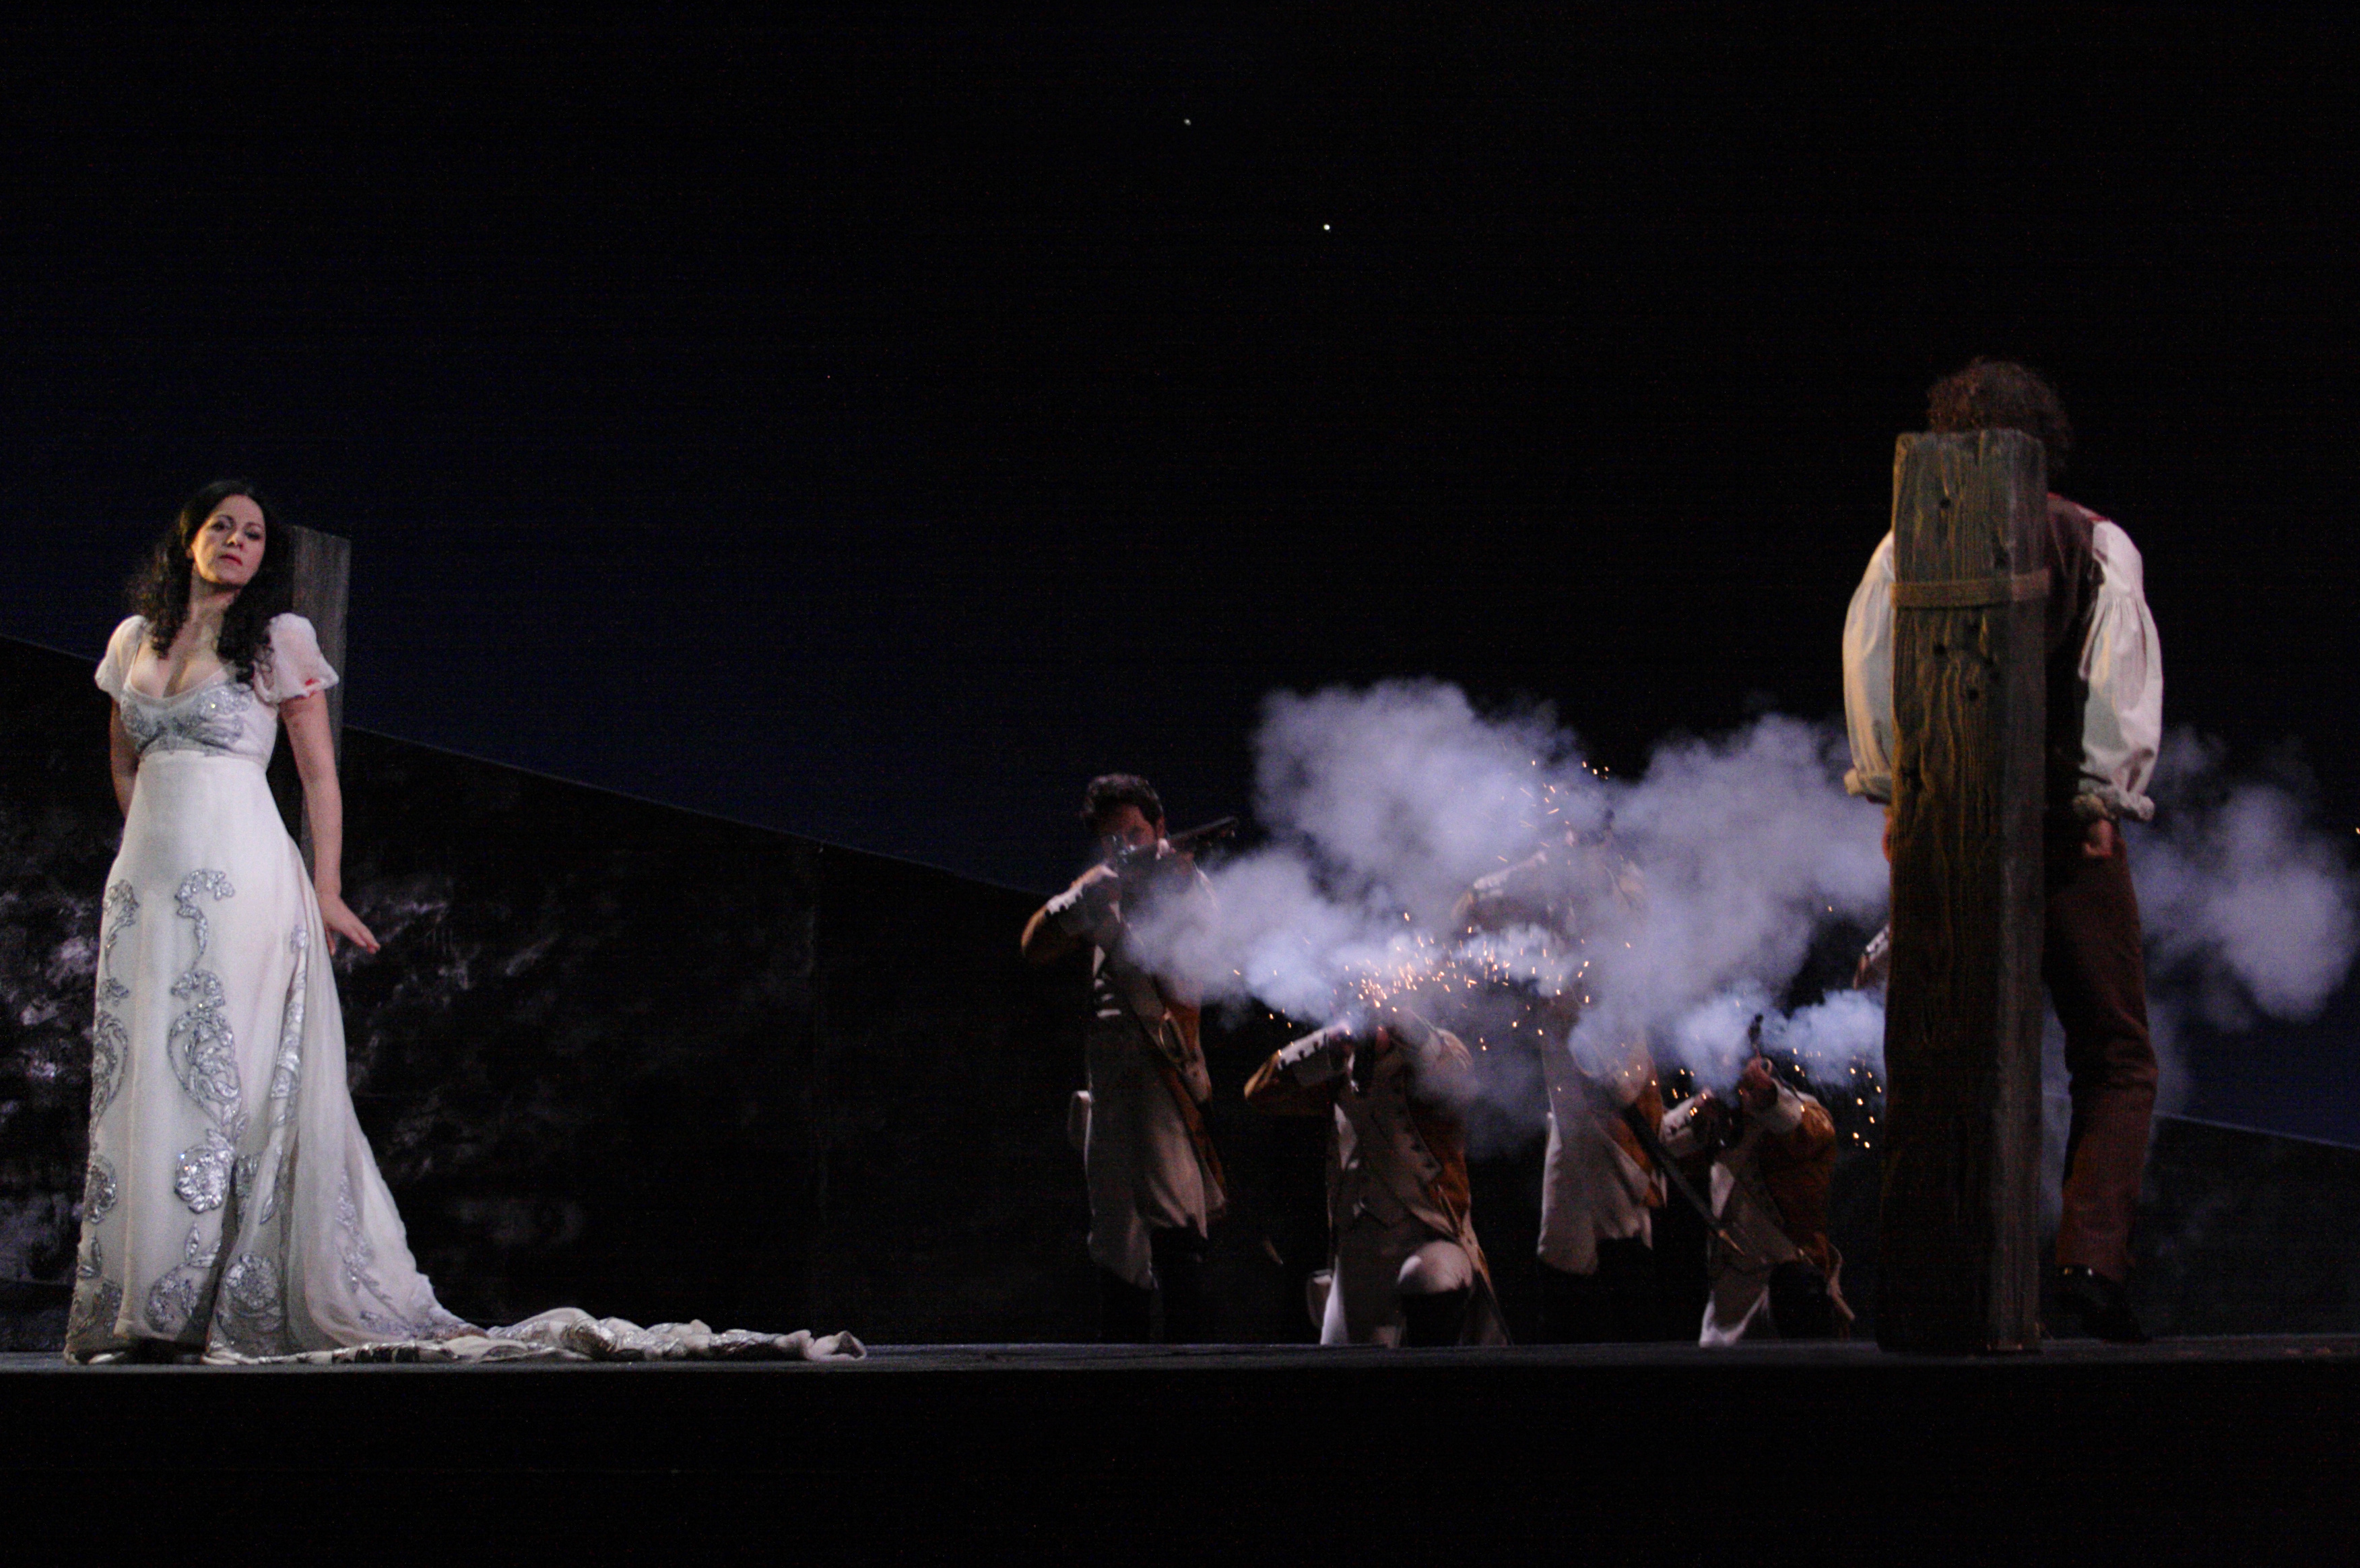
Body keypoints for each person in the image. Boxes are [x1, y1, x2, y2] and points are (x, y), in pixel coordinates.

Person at [66, 482, 470, 1360]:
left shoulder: (280, 640)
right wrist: (143, 855)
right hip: (146, 888)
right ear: (190, 541)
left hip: (244, 877)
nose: (239, 542)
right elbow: (127, 761)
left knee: (226, 1075)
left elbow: (319, 776)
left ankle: (221, 1300)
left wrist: (325, 888)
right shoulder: (133, 640)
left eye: (254, 534)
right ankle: (150, 1305)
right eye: (223, 527)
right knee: (148, 1084)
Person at [1842, 358, 2163, 1342]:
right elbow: (2119, 677)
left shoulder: (1905, 544)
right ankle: (2089, 1265)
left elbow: (1869, 674)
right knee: (2116, 1054)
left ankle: (1936, 1259)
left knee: (1945, 1040)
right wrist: (2101, 793)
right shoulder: (2096, 540)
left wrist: (1897, 791)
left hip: (1942, 825)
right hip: (2063, 830)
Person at [1020, 775, 1224, 1342]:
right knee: (1115, 1244)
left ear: (1160, 829)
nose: (1127, 849)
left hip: (1164, 1077)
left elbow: (1185, 983)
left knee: (1176, 1230)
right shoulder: (1104, 888)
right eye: (1115, 842)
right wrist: (1083, 898)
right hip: (1108, 1084)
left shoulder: (1191, 892)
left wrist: (1128, 910)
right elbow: (1034, 945)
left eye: (1136, 834)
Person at [1456, 832, 1666, 1341]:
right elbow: (1469, 908)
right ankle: (1569, 1371)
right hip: (1566, 1087)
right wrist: (1525, 872)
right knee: (1563, 1247)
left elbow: (1616, 956)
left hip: (1606, 1067)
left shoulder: (1624, 887)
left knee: (1618, 1223)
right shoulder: (1545, 885)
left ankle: (1646, 1363)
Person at [1244, 1009, 1507, 1346]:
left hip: (1428, 1238)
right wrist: (1327, 1044)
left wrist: (1407, 1025)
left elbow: (1458, 1082)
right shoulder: (1337, 1066)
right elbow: (1260, 1093)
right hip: (1358, 1255)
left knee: (1429, 1276)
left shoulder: (1436, 1049)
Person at [1658, 1054, 1851, 1344]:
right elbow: (1663, 1143)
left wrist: (1765, 1094)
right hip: (1731, 1292)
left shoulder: (1807, 1113)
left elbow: (1795, 1123)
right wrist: (1700, 1108)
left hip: (1791, 1290)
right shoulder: (1724, 1118)